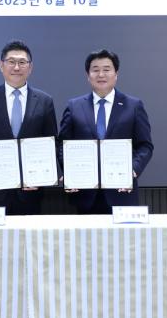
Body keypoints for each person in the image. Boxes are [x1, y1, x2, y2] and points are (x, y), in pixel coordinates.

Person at [0, 40, 58, 215]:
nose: (17, 67)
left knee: (28, 234)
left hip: (30, 192)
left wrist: (41, 175)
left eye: (22, 62)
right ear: (1, 66)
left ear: (30, 67)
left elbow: (51, 142)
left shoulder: (45, 101)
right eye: (11, 62)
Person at [59, 49, 154, 214]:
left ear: (116, 74)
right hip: (85, 194)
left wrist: (132, 170)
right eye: (95, 70)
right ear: (88, 75)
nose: (101, 74)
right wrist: (69, 170)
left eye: (107, 69)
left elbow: (145, 146)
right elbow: (62, 145)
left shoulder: (133, 106)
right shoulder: (74, 106)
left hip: (122, 192)